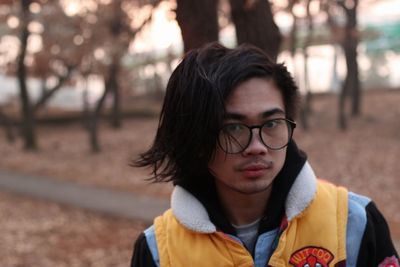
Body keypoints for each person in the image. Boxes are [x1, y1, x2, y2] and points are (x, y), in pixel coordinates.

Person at [130, 43, 398, 267]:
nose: (256, 146)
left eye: (271, 124)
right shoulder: (158, 252)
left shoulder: (354, 222)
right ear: (196, 138)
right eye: (232, 128)